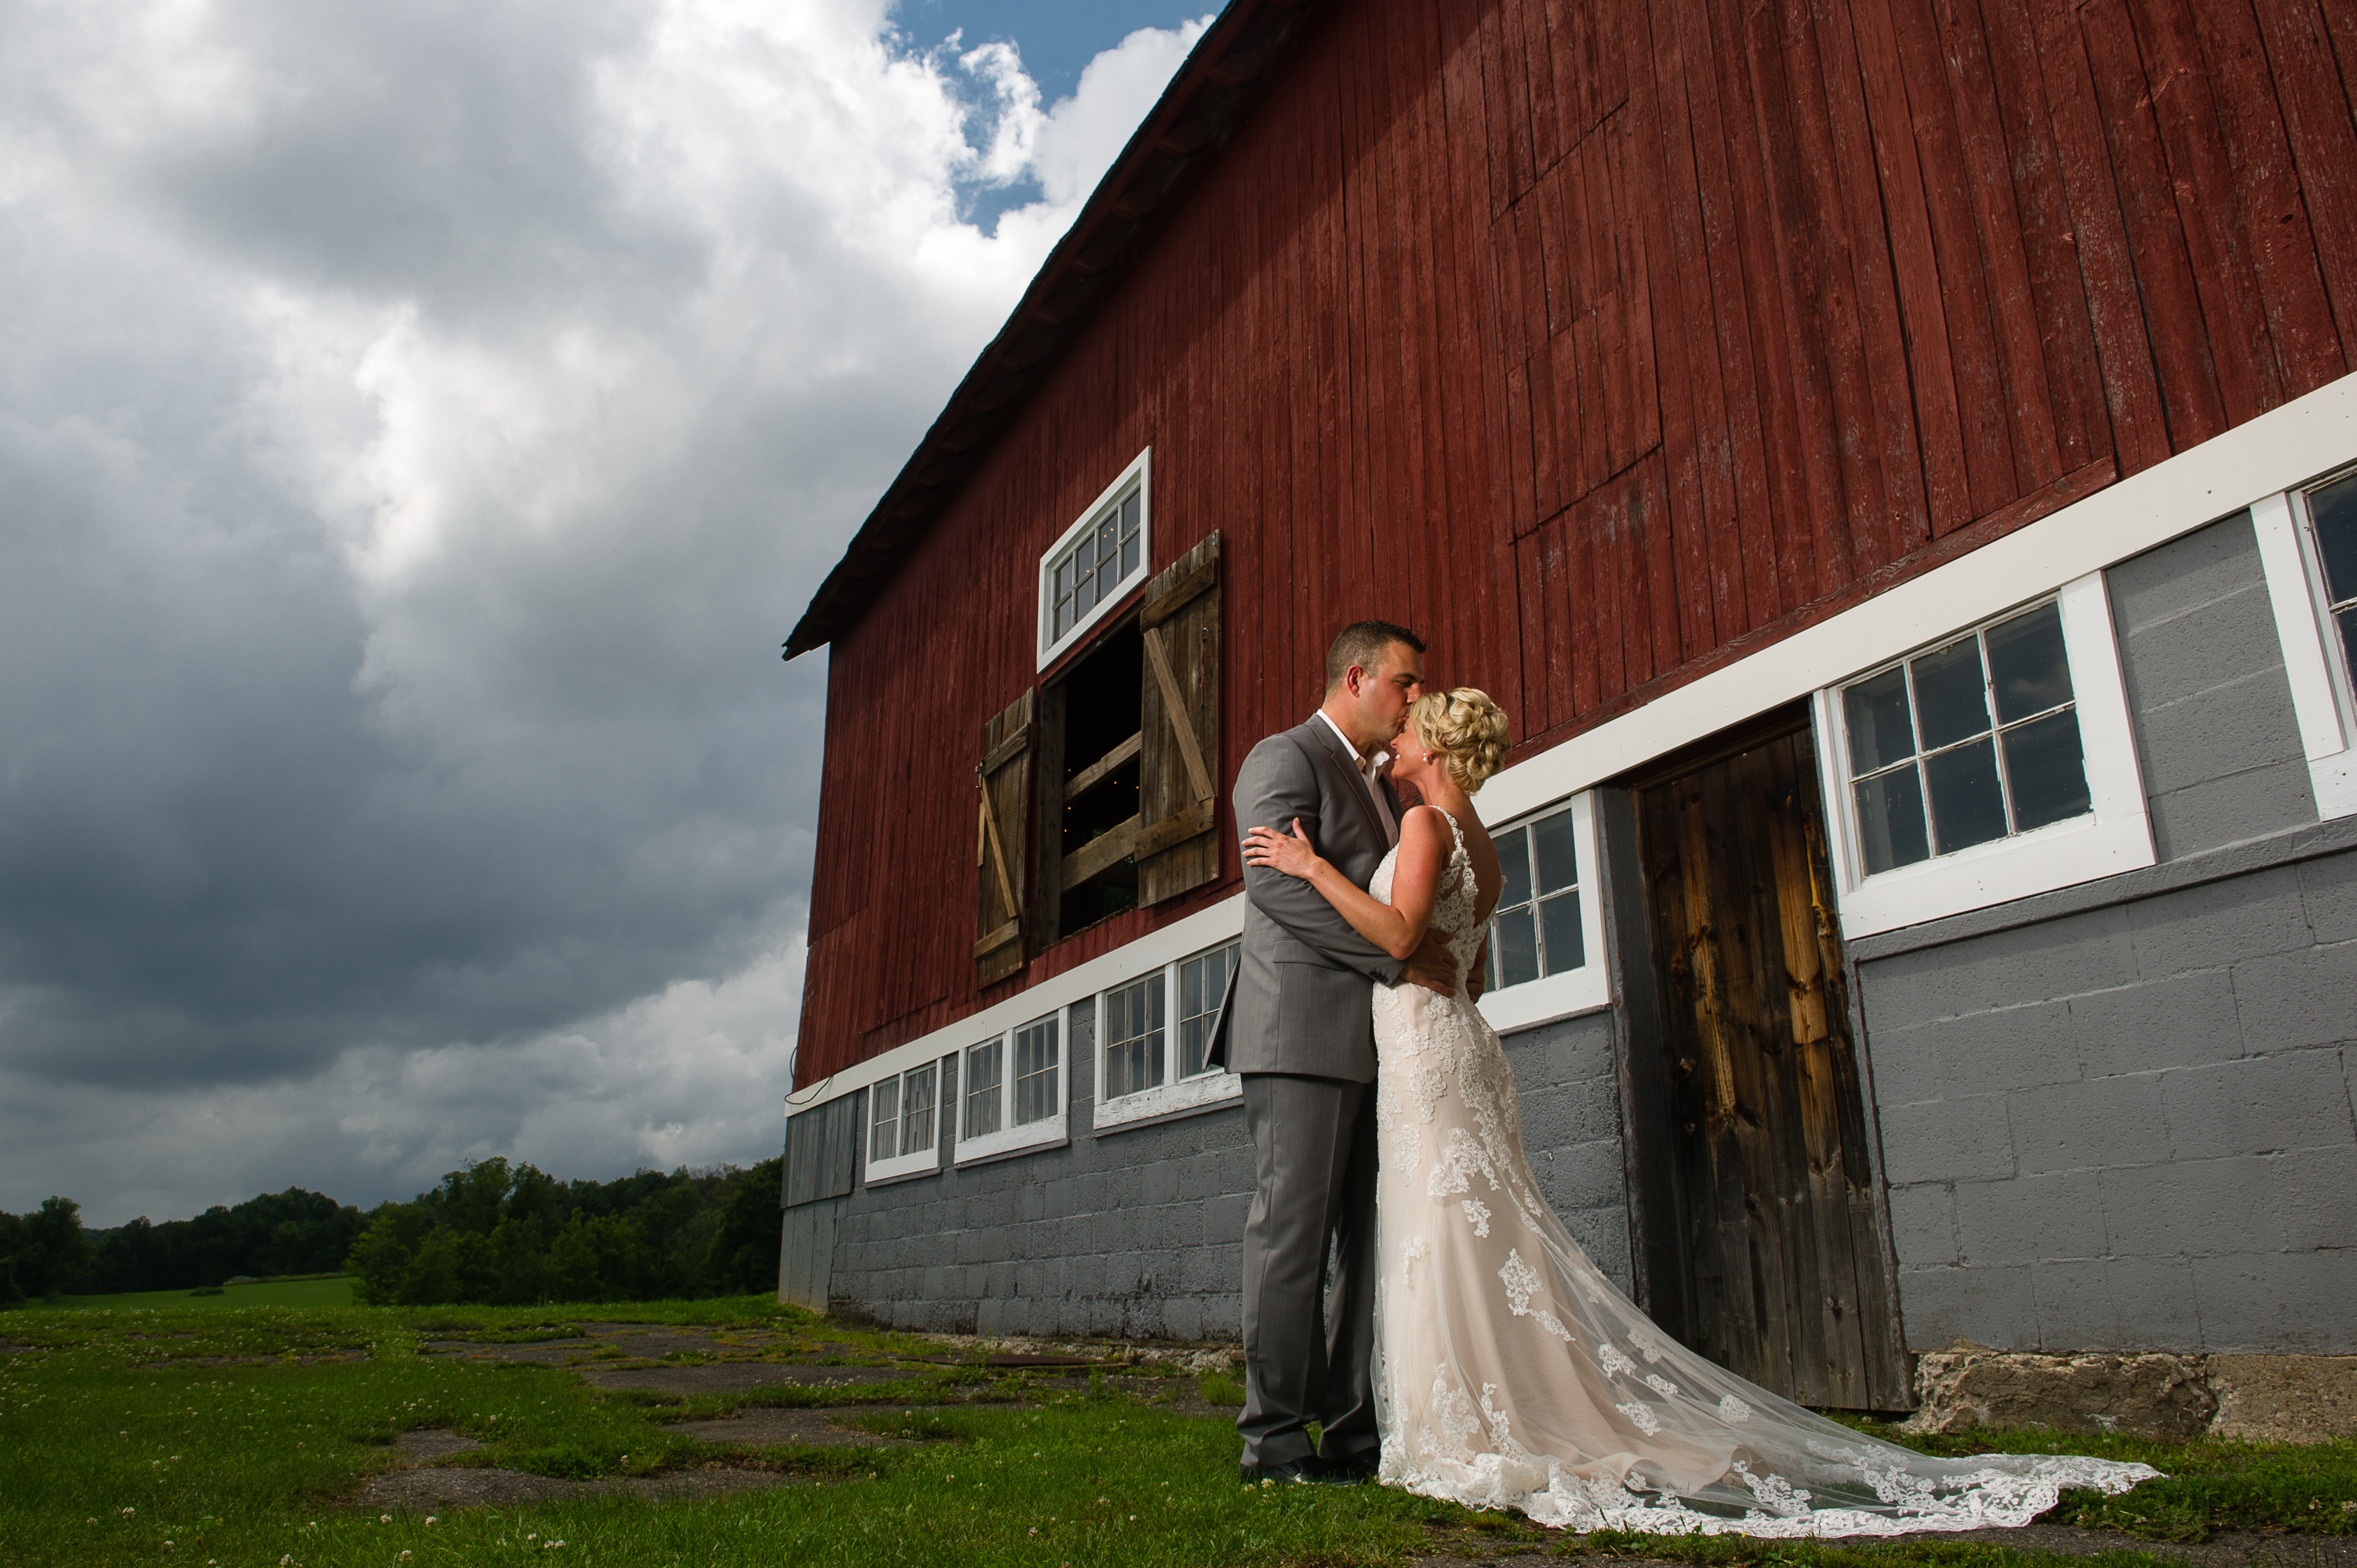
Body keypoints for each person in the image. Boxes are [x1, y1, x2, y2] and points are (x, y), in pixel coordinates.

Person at [1242, 686, 2160, 1533]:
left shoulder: (1427, 826)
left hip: (1424, 1045)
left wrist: (1311, 865)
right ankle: (1483, 1402)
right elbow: (1472, 965)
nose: (1396, 733)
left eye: (1410, 725)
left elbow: (1403, 937)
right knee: (1474, 1235)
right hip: (1456, 1038)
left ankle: (1461, 1421)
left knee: (1441, 1233)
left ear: (1435, 745)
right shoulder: (1478, 838)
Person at [1204, 619, 1461, 1484]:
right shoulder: (1282, 758)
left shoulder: (1390, 788)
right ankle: (1273, 1440)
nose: (1415, 697)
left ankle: (1355, 1434)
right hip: (1300, 1037)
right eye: (1404, 682)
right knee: (1293, 1240)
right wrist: (1391, 956)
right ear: (1355, 678)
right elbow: (1277, 886)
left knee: (1368, 1244)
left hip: (1380, 1044)